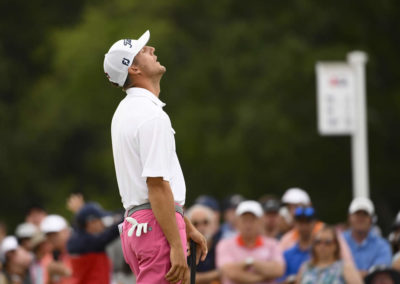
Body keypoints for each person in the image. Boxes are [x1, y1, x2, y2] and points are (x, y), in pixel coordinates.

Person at [104, 30, 207, 283]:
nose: (151, 50)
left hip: (138, 225)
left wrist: (186, 225)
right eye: (143, 51)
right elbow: (156, 185)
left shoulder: (124, 111)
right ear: (134, 70)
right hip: (156, 228)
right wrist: (175, 243)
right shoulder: (151, 115)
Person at [216, 200, 285, 284]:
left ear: (260, 222)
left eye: (252, 220)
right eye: (244, 220)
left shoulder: (273, 244)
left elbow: (278, 270)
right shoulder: (224, 245)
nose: (248, 224)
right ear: (237, 222)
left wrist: (249, 263)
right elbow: (230, 272)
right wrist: (264, 276)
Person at [67, 202, 122, 284]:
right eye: (100, 220)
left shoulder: (74, 240)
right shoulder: (87, 242)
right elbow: (112, 232)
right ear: (91, 223)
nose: (102, 224)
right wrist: (130, 216)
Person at [342, 197, 392, 276]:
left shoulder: (382, 245)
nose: (360, 218)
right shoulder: (339, 241)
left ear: (372, 219)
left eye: (365, 214)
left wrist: (347, 275)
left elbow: (379, 275)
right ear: (349, 217)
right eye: (357, 214)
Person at [296, 226, 362, 284]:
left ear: (335, 245)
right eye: (318, 242)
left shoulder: (345, 267)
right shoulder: (305, 267)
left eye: (327, 242)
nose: (322, 246)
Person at [186, 204, 221, 284]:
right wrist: (218, 274)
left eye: (205, 222)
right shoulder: (184, 248)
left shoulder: (221, 245)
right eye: (195, 223)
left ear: (214, 224)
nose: (201, 227)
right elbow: (186, 278)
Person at [280, 207, 316, 283]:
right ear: (295, 224)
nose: (304, 226)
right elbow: (280, 280)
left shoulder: (321, 251)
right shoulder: (287, 255)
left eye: (307, 222)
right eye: (301, 222)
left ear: (314, 223)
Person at [40, 215, 74, 284]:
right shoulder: (47, 259)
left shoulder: (79, 251)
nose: (52, 238)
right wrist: (50, 275)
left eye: (55, 234)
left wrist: (66, 272)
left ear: (66, 231)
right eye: (48, 235)